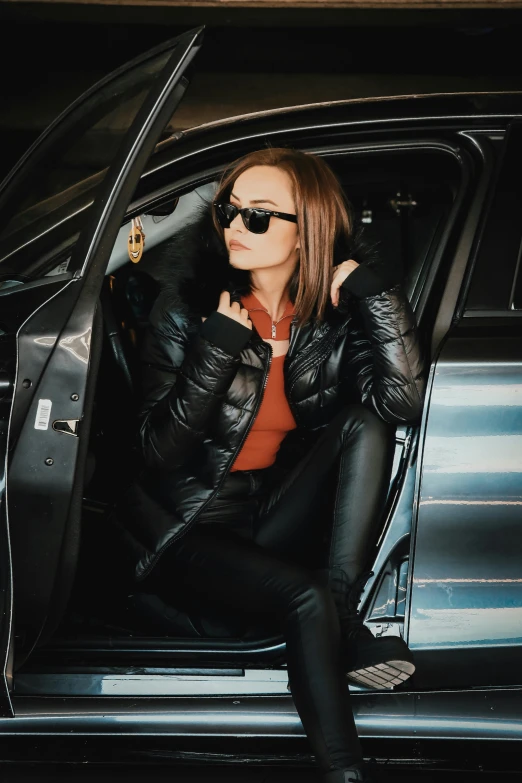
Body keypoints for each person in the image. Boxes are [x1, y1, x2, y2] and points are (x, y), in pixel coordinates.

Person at [127, 147, 426, 782]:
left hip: (272, 512)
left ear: (307, 229)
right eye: (229, 213)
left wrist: (375, 299)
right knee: (304, 595)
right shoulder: (188, 309)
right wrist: (214, 350)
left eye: (259, 217)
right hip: (191, 525)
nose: (236, 227)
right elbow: (157, 454)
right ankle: (346, 773)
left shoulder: (331, 319)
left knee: (364, 423)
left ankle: (343, 614)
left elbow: (398, 403)